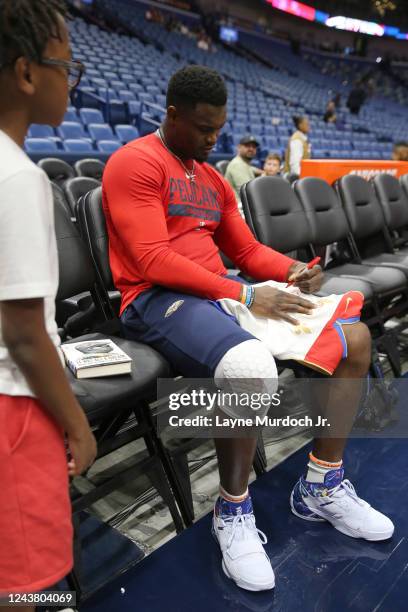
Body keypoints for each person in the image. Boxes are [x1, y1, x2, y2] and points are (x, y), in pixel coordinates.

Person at [103, 65, 394, 593]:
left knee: (356, 339)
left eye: (219, 129)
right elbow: (149, 258)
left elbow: (243, 250)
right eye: (202, 128)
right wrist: (242, 292)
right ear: (171, 115)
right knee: (249, 366)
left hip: (222, 292)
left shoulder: (213, 178)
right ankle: (232, 511)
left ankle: (321, 485)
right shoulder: (134, 163)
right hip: (156, 300)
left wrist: (289, 272)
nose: (214, 139)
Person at [0, 2, 97, 610]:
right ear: (27, 74)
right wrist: (78, 424)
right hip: (14, 406)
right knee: (27, 588)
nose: (71, 79)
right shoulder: (17, 177)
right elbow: (25, 335)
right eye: (67, 65)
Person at [225, 134, 262, 211]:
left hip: (244, 207)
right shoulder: (238, 165)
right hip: (239, 209)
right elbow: (248, 194)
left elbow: (251, 169)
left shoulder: (244, 164)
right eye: (247, 146)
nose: (251, 149)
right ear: (239, 147)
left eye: (254, 147)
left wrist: (263, 172)